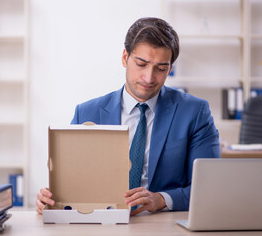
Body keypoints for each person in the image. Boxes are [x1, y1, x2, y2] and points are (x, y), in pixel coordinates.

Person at [36, 17, 220, 216]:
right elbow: (69, 183)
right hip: (103, 223)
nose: (149, 78)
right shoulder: (87, 113)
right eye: (141, 64)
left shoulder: (194, 112)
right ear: (125, 58)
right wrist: (51, 199)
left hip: (163, 222)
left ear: (170, 68)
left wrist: (161, 199)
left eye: (161, 69)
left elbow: (210, 189)